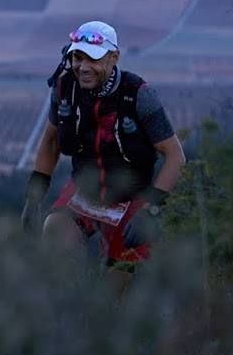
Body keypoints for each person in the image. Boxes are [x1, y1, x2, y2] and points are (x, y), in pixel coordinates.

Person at [21, 21, 186, 267]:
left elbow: (175, 156)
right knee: (55, 245)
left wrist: (151, 211)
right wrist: (34, 198)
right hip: (83, 192)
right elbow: (51, 140)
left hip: (132, 199)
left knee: (113, 298)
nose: (84, 67)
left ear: (114, 57)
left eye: (93, 59)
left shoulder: (138, 94)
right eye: (78, 57)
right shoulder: (65, 89)